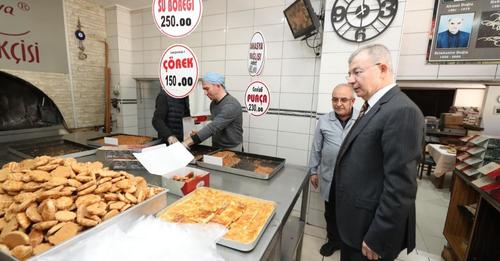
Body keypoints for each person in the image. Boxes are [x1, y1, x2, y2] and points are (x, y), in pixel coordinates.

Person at [331, 44, 424, 261]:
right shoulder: (373, 106)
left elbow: (401, 186)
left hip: (371, 230)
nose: (351, 80)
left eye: (357, 72)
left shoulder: (402, 111)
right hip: (356, 223)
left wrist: (379, 237)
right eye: (349, 73)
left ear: (382, 68)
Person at [308, 83, 358, 257]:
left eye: (343, 99)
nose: (338, 103)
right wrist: (313, 171)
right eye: (335, 99)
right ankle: (333, 241)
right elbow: (316, 148)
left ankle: (349, 243)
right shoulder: (324, 120)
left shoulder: (362, 119)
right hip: (330, 177)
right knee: (331, 212)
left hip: (354, 179)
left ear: (352, 101)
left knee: (352, 213)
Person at [182, 72, 243, 151]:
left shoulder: (231, 105)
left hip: (231, 148)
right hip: (216, 145)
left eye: (207, 89)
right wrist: (199, 134)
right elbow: (217, 125)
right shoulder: (213, 104)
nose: (205, 93)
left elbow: (213, 127)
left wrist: (186, 143)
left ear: (218, 85)